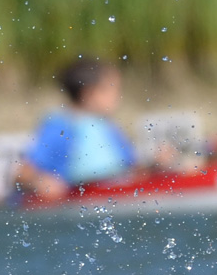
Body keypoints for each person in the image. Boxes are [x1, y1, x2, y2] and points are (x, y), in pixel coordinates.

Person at [13, 59, 147, 200]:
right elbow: (23, 173)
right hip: (77, 202)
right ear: (89, 93)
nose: (119, 96)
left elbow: (133, 170)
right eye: (112, 89)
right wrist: (40, 182)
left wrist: (156, 165)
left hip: (115, 199)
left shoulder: (108, 126)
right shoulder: (60, 126)